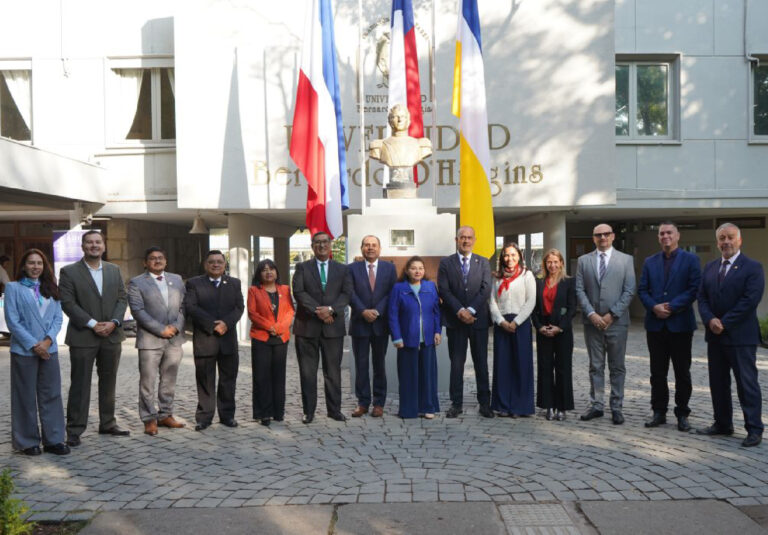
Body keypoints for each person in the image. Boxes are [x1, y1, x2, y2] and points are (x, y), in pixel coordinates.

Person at [696, 223, 764, 448]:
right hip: (715, 337)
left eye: (730, 237)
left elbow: (749, 301)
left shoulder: (753, 267)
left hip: (740, 337)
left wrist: (723, 323)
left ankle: (754, 429)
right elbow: (702, 298)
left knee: (747, 384)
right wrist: (709, 320)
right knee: (718, 383)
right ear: (717, 242)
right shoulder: (710, 267)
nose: (726, 242)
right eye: (722, 238)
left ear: (740, 240)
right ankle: (722, 423)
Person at [60, 230, 129, 446]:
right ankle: (74, 430)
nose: (94, 246)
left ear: (104, 246)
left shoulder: (114, 270)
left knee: (109, 382)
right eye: (89, 242)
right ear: (82, 246)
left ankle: (107, 423)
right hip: (83, 336)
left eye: (98, 242)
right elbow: (68, 303)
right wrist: (92, 324)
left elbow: (121, 298)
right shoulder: (69, 272)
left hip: (112, 335)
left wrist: (114, 323)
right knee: (80, 384)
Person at [4, 249, 69, 456]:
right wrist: (34, 345)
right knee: (24, 396)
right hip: (24, 350)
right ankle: (27, 441)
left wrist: (48, 341)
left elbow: (58, 318)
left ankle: (54, 439)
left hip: (49, 349)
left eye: (39, 263)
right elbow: (13, 321)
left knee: (51, 394)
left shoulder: (50, 287)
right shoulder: (13, 288)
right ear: (23, 266)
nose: (35, 267)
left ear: (44, 266)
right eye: (31, 263)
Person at [638, 222, 701, 432]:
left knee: (682, 372)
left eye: (669, 233)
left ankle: (682, 413)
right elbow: (643, 290)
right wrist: (654, 307)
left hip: (680, 325)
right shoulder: (650, 261)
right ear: (658, 237)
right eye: (661, 233)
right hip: (656, 326)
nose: (665, 236)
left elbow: (694, 289)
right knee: (657, 373)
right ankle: (659, 411)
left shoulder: (691, 259)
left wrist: (672, 307)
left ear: (677, 236)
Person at [575, 223, 636, 425]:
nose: (602, 237)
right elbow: (579, 290)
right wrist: (592, 314)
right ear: (593, 238)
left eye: (606, 234)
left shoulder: (626, 260)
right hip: (592, 323)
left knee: (617, 367)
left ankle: (617, 407)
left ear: (613, 236)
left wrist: (612, 314)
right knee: (595, 366)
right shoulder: (584, 261)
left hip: (616, 323)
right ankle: (597, 405)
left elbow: (629, 290)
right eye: (598, 235)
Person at [292, 231, 352, 424]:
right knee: (307, 372)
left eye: (325, 242)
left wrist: (332, 310)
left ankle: (334, 410)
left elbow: (346, 294)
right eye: (317, 243)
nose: (321, 246)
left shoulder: (343, 269)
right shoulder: (302, 267)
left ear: (331, 245)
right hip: (307, 327)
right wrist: (319, 311)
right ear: (312, 246)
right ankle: (308, 412)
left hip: (333, 328)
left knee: (333, 372)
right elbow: (299, 292)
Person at [127, 246, 187, 436]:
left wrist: (176, 327)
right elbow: (138, 311)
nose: (157, 260)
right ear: (145, 263)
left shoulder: (176, 279)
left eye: (160, 257)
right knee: (148, 382)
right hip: (150, 340)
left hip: (174, 339)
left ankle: (165, 414)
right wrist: (161, 329)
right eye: (152, 258)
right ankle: (149, 419)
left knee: (169, 380)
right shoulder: (136, 282)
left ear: (166, 261)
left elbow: (184, 307)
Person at [184, 250, 244, 431]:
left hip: (228, 341)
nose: (216, 264)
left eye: (219, 261)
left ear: (225, 264)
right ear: (206, 265)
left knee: (228, 380)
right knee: (205, 380)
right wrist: (212, 325)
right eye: (212, 262)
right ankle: (204, 417)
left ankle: (227, 416)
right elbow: (191, 307)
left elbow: (239, 307)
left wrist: (226, 323)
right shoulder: (194, 283)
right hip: (205, 339)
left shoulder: (234, 283)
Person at [438, 226, 494, 418]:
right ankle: (456, 403)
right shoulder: (446, 263)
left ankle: (485, 403)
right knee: (456, 364)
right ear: (456, 240)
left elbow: (485, 289)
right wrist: (460, 310)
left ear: (474, 240)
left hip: (478, 321)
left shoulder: (484, 262)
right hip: (455, 322)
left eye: (469, 237)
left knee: (481, 363)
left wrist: (470, 310)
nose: (466, 241)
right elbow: (444, 290)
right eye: (462, 237)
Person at [348, 235, 397, 417]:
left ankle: (379, 403)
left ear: (380, 248)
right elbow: (349, 292)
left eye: (374, 245)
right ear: (361, 248)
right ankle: (362, 402)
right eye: (367, 245)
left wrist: (376, 311)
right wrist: (363, 311)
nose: (370, 248)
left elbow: (391, 292)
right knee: (361, 365)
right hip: (360, 323)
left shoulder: (389, 268)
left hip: (380, 324)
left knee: (379, 365)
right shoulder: (351, 269)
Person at [388, 256, 441, 419]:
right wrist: (396, 337)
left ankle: (428, 407)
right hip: (406, 339)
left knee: (428, 375)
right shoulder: (399, 288)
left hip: (427, 339)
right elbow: (393, 314)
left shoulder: (430, 287)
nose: (417, 271)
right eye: (413, 268)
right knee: (408, 375)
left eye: (420, 268)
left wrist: (437, 331)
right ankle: (408, 410)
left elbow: (437, 312)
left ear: (424, 271)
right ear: (407, 270)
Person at [489, 242, 536, 417]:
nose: (510, 258)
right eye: (506, 255)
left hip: (520, 323)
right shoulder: (497, 277)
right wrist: (501, 321)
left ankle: (519, 406)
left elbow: (531, 301)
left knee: (521, 364)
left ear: (520, 256)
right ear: (502, 258)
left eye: (513, 255)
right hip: (501, 323)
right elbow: (492, 301)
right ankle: (502, 405)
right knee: (502, 365)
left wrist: (516, 322)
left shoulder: (527, 275)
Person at [247, 258, 295, 427]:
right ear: (259, 274)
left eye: (271, 269)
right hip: (262, 337)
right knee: (262, 377)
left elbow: (290, 311)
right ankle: (263, 413)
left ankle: (278, 412)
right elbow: (252, 313)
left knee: (278, 376)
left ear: (276, 272)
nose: (268, 272)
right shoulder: (254, 290)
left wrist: (280, 328)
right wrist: (270, 327)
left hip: (281, 338)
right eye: (264, 269)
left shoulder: (285, 289)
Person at [532, 248, 577, 421]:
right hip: (543, 330)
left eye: (555, 262)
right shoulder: (539, 282)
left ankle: (562, 407)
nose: (552, 265)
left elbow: (573, 308)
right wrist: (538, 327)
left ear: (561, 263)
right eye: (549, 262)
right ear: (545, 264)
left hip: (562, 331)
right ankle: (548, 405)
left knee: (563, 368)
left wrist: (560, 327)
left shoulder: (569, 282)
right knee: (545, 368)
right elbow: (534, 308)